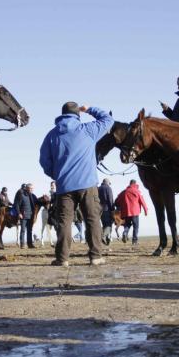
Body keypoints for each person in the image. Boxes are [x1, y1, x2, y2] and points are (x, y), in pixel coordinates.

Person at [39, 102, 113, 266]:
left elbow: (44, 161)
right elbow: (108, 119)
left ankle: (62, 259)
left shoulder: (52, 135)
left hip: (64, 186)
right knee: (92, 219)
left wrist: (57, 174)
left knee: (64, 222)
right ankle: (95, 257)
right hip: (88, 184)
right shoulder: (88, 129)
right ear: (77, 114)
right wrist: (89, 109)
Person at [115, 180, 149, 245]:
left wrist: (120, 207)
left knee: (127, 224)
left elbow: (116, 202)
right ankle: (134, 241)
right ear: (135, 184)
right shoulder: (137, 191)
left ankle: (125, 233)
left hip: (126, 212)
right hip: (135, 212)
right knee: (136, 226)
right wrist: (146, 210)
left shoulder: (123, 192)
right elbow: (142, 201)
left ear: (129, 184)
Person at [13, 183, 38, 248]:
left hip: (31, 215)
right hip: (23, 215)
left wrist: (45, 200)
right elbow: (17, 205)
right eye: (30, 188)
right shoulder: (22, 195)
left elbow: (38, 202)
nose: (31, 190)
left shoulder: (33, 196)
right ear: (26, 188)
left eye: (32, 188)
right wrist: (19, 213)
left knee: (30, 230)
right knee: (23, 230)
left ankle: (30, 244)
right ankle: (22, 244)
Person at [98, 178, 115, 245]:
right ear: (108, 182)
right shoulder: (108, 188)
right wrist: (112, 209)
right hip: (107, 209)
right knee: (108, 225)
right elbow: (110, 199)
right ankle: (103, 236)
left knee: (105, 225)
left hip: (99, 210)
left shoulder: (98, 189)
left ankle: (107, 241)